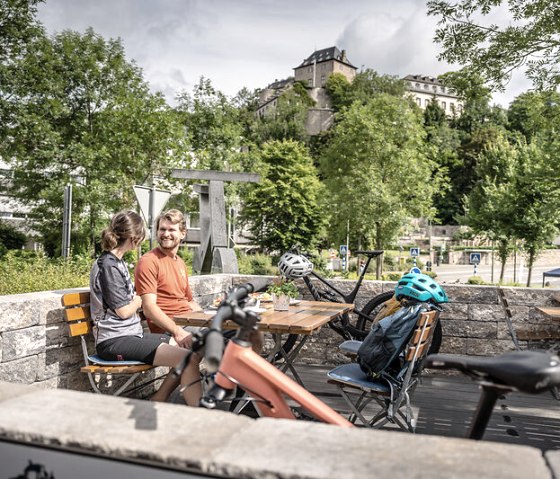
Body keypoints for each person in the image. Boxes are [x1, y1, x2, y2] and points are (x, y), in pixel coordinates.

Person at [135, 208, 262, 402]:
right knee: (221, 345)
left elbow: (189, 301)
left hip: (191, 323)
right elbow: (149, 308)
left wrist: (210, 315)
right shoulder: (148, 261)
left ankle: (245, 394)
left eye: (172, 230)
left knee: (252, 332)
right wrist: (177, 332)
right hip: (171, 327)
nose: (166, 234)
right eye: (162, 229)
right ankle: (238, 395)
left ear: (182, 234)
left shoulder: (179, 263)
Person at [89, 210, 201, 406]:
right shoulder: (108, 265)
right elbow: (123, 311)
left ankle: (165, 399)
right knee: (188, 358)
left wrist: (135, 300)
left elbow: (128, 303)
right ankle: (200, 412)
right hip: (114, 341)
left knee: (187, 346)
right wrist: (138, 300)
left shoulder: (117, 262)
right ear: (135, 237)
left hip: (129, 335)